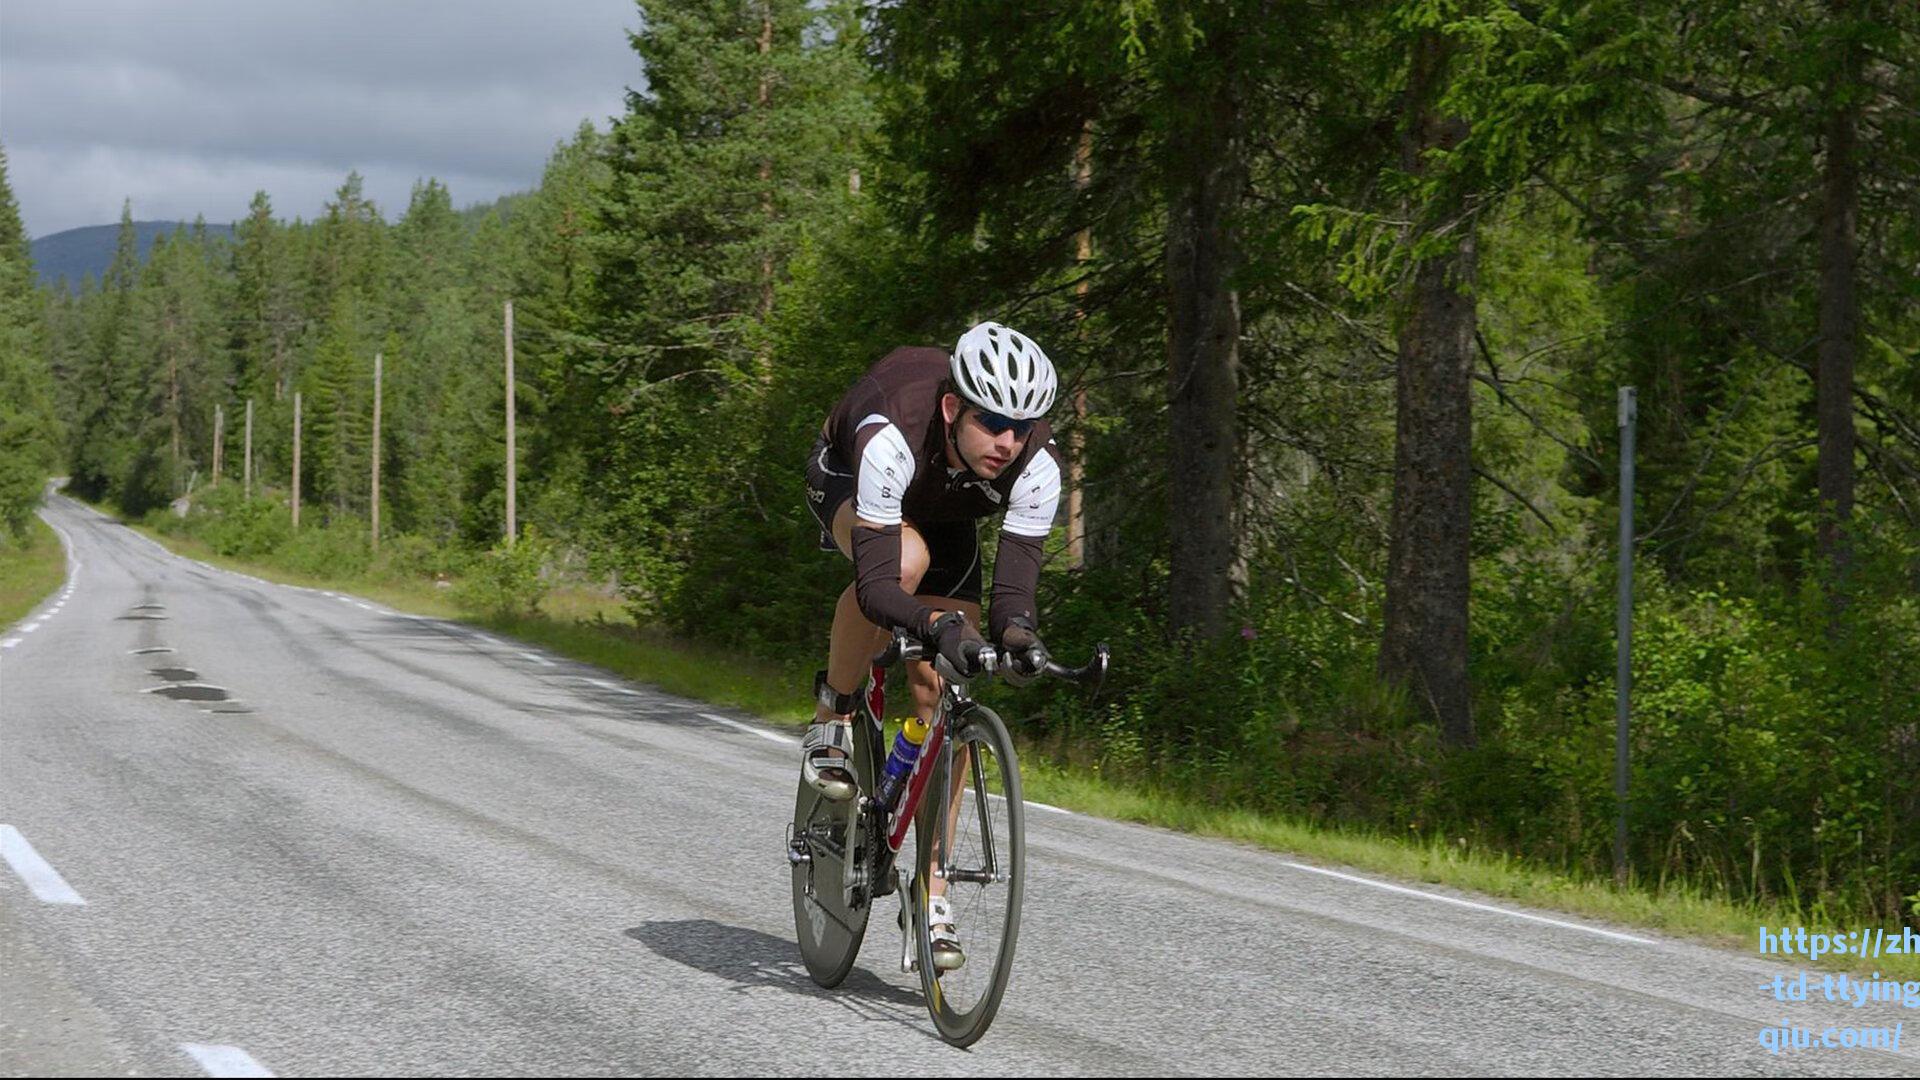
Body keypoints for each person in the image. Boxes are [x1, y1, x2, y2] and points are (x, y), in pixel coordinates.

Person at [800, 320, 1061, 970]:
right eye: (992, 421)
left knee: (940, 687)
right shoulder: (892, 430)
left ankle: (931, 887)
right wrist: (934, 624)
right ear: (953, 408)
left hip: (948, 516)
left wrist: (1020, 639)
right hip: (850, 483)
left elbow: (1012, 602)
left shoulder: (1036, 464)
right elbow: (880, 587)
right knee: (906, 563)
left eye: (1022, 427)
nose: (1008, 441)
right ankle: (832, 718)